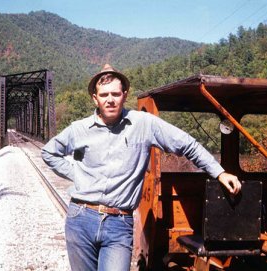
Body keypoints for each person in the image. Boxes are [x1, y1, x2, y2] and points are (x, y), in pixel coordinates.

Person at [41, 64, 242, 271]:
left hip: (118, 223)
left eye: (115, 94)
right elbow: (48, 152)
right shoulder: (79, 129)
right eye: (104, 95)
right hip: (81, 218)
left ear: (124, 95)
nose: (110, 99)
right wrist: (77, 175)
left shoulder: (144, 124)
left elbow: (186, 143)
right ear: (95, 98)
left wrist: (219, 172)